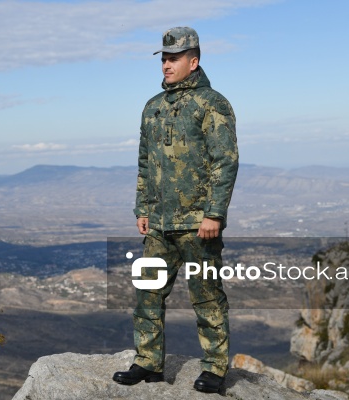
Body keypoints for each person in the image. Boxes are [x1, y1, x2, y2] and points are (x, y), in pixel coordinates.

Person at [112, 26, 239, 393]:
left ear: (193, 61)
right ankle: (148, 363)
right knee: (147, 293)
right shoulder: (152, 107)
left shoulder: (212, 103)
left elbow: (225, 161)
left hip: (198, 224)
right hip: (160, 225)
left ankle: (215, 368)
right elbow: (144, 163)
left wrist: (214, 214)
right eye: (164, 58)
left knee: (206, 294)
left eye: (174, 58)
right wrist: (142, 208)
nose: (166, 64)